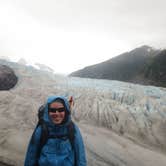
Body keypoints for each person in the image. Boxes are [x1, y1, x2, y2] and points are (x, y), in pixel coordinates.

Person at [24, 96, 87, 166]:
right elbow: (31, 156)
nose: (57, 113)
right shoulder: (42, 130)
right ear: (48, 112)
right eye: (53, 110)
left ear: (66, 111)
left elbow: (80, 158)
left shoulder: (72, 129)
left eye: (61, 110)